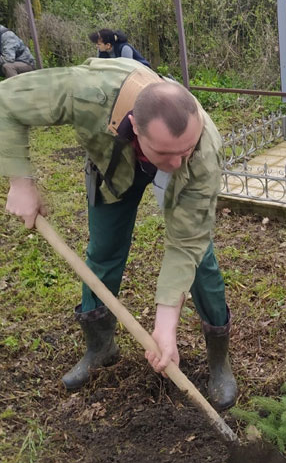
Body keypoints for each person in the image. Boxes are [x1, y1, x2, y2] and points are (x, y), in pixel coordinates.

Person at [0, 57, 237, 410]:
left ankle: (219, 359)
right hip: (113, 166)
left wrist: (164, 326)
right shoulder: (86, 93)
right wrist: (20, 181)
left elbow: (185, 242)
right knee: (104, 252)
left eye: (184, 151)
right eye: (167, 154)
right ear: (135, 128)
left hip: (167, 168)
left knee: (201, 261)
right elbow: (7, 100)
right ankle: (99, 347)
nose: (177, 163)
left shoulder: (200, 151)